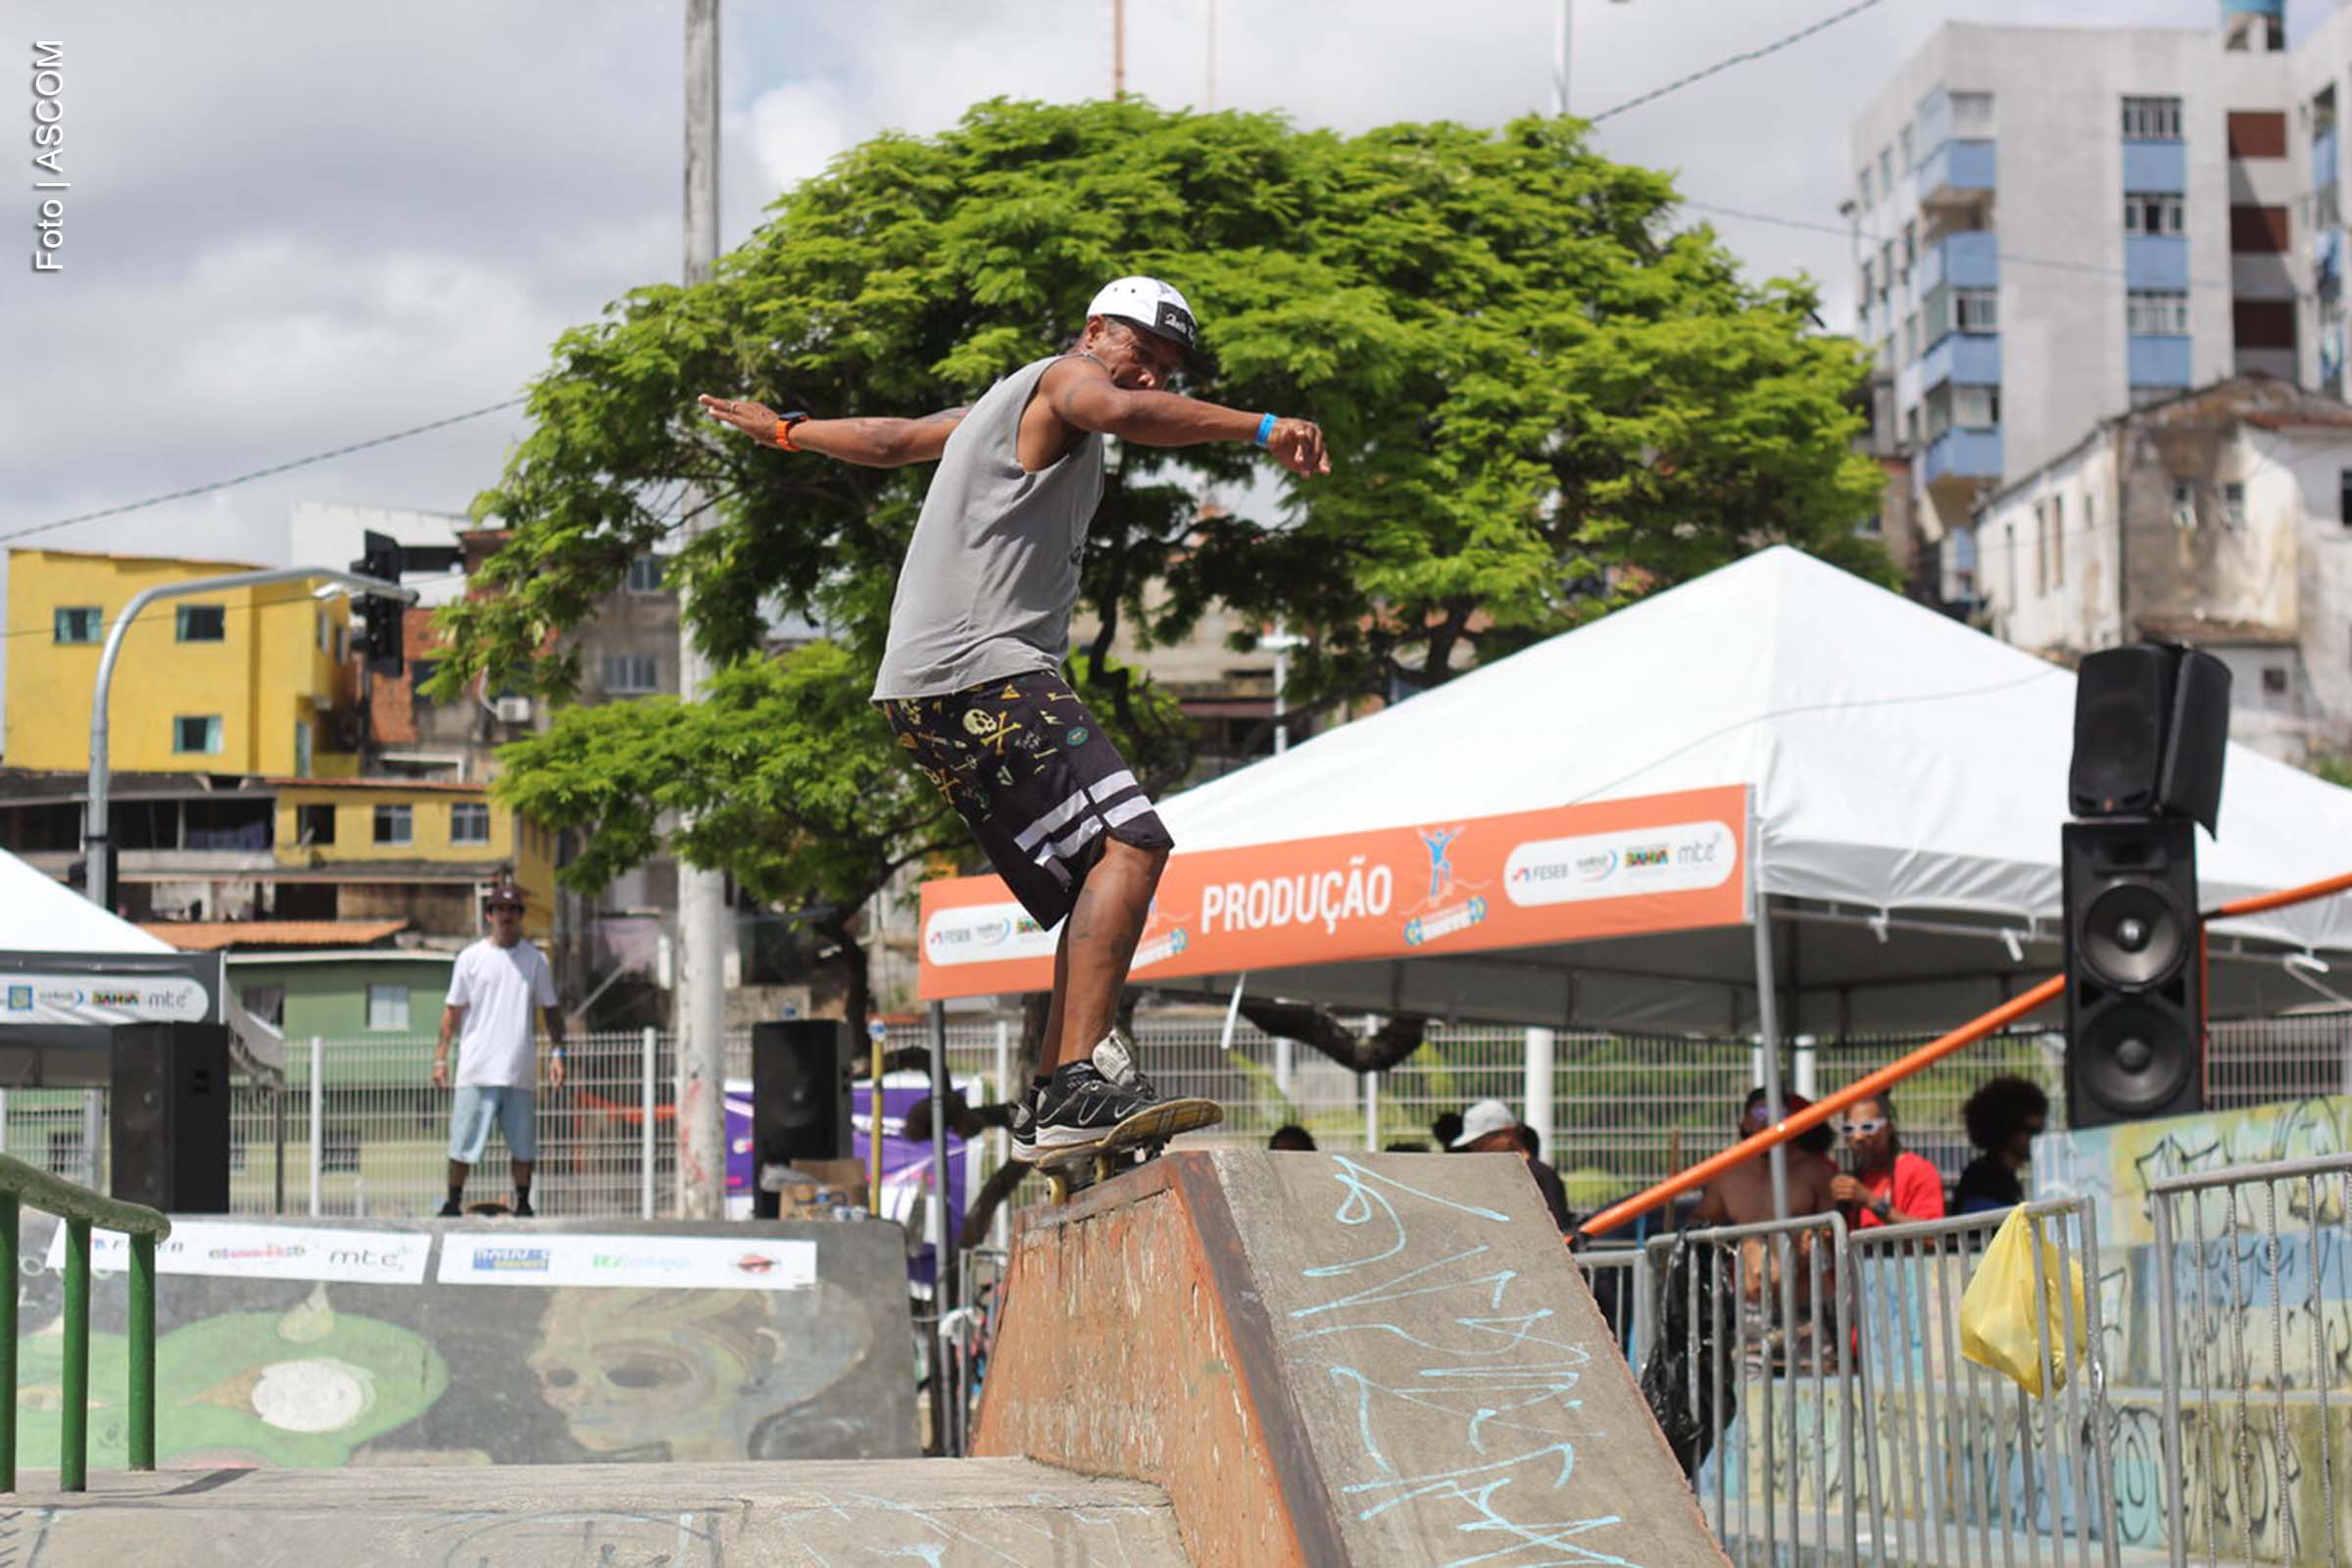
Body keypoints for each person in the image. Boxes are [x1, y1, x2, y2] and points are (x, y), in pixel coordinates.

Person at [701, 277, 1327, 1164]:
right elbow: (1108, 404)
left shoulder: (999, 406)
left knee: (1093, 881)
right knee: (1135, 845)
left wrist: (788, 430)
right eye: (1141, 356)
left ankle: (1047, 1105)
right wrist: (1260, 427)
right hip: (983, 671)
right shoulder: (1069, 382)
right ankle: (1076, 1079)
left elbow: (895, 439)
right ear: (1094, 330)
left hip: (930, 690)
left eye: (1167, 369)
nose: (1148, 381)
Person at [431, 884, 565, 1217]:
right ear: (489, 915)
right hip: (476, 1068)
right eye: (500, 910)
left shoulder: (535, 961)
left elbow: (550, 1009)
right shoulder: (470, 959)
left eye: (514, 910)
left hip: (518, 1069)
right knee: (463, 1141)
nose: (507, 917)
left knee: (523, 1146)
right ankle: (452, 1201)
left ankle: (523, 1202)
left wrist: (558, 1053)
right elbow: (452, 1010)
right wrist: (441, 1058)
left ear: (520, 916)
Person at [1690, 1089, 1838, 1228]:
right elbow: (1701, 1223)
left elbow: (1835, 1230)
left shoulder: (1815, 1171)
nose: (1769, 1122)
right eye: (1760, 1113)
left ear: (1790, 1120)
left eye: (1779, 1114)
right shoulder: (1726, 1175)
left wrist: (1818, 1236)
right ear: (1746, 1123)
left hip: (1799, 1256)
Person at [1451, 1099, 1572, 1232]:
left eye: (1481, 1142)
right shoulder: (1484, 1178)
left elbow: (1558, 1230)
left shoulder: (1541, 1176)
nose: (1476, 1149)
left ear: (1507, 1134)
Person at [1831, 1092, 1945, 1229]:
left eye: (1867, 1127)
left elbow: (1933, 1235)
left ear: (1889, 1127)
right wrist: (1820, 1238)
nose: (1858, 1136)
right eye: (1848, 1129)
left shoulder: (1918, 1170)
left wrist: (1871, 1201)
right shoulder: (1854, 1180)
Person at [1953, 1076, 2049, 1213]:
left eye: (2039, 1131)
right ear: (2006, 1128)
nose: (2037, 1139)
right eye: (2030, 1131)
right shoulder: (1982, 1179)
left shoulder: (2005, 1177)